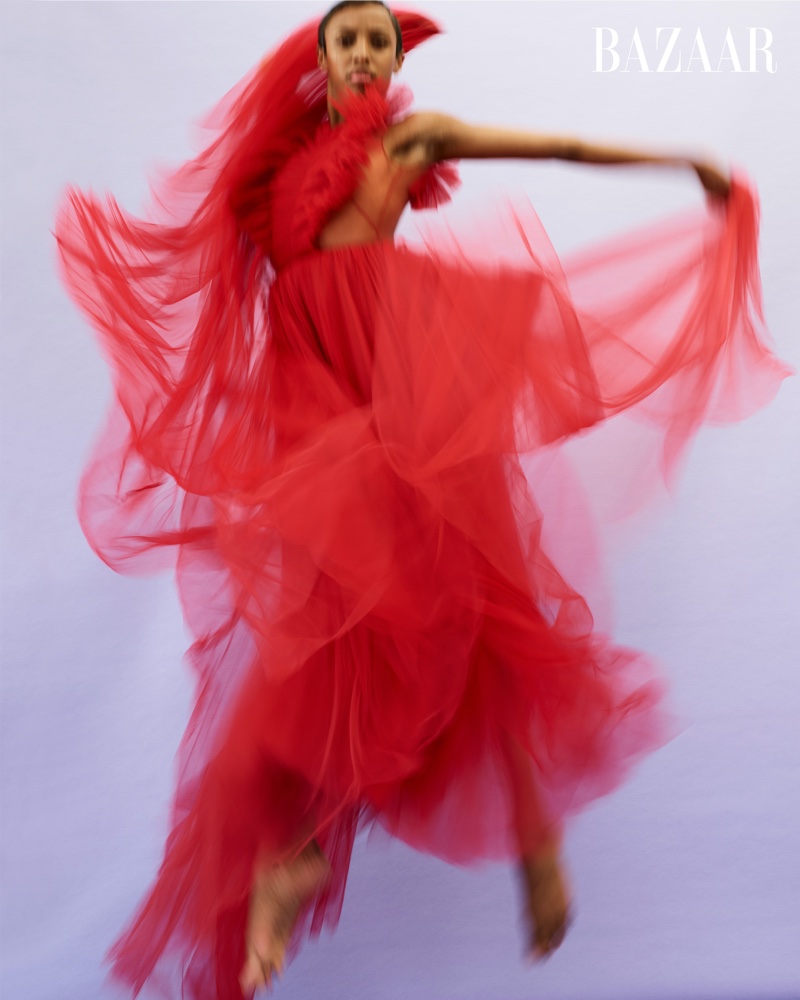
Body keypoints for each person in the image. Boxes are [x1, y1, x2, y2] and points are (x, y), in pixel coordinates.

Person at [55, 3, 788, 998]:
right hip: (308, 407)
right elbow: (246, 275)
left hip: (396, 402)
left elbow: (559, 146)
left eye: (377, 41)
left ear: (397, 59)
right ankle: (308, 848)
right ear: (317, 57)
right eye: (345, 40)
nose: (361, 54)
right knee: (329, 629)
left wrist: (680, 163)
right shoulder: (274, 162)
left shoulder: (408, 136)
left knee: (464, 606)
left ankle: (514, 847)